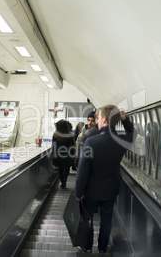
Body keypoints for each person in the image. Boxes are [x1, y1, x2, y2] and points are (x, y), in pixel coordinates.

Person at [75, 105, 134, 253]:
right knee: (106, 219)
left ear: (104, 119)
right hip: (111, 189)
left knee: (88, 219)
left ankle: (87, 247)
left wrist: (78, 192)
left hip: (90, 191)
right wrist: (124, 119)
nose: (97, 120)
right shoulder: (121, 141)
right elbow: (132, 134)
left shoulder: (91, 142)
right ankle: (102, 248)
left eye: (98, 117)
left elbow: (83, 171)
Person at [52, 119, 76, 189]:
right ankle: (64, 181)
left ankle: (63, 182)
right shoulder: (70, 136)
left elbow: (54, 146)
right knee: (67, 169)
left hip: (58, 156)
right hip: (67, 156)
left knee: (60, 169)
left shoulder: (55, 135)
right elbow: (72, 147)